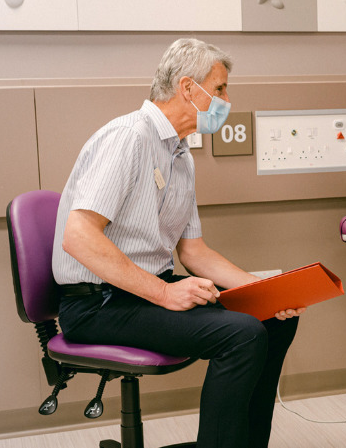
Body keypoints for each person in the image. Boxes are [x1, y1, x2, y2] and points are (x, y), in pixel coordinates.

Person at [52, 38, 304, 448]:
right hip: (96, 304)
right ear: (188, 88)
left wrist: (263, 291)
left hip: (142, 295)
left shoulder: (180, 156)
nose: (227, 99)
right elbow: (78, 237)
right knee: (241, 333)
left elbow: (193, 252)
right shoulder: (128, 137)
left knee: (274, 318)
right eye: (219, 88)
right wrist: (166, 292)